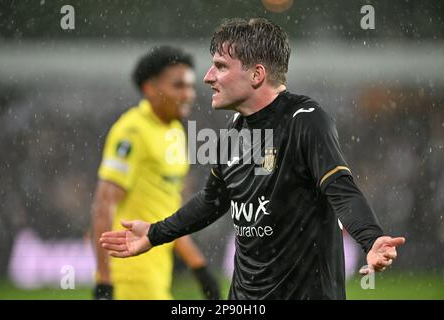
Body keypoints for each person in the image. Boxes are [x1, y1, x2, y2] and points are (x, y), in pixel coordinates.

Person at [99, 18, 406, 300]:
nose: (208, 77)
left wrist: (371, 238)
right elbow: (212, 201)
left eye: (220, 66)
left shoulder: (305, 120)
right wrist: (154, 233)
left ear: (257, 74)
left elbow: (340, 187)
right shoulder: (234, 130)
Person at [91, 46, 221, 300]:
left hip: (158, 275)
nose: (188, 94)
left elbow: (168, 212)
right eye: (178, 86)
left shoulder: (174, 131)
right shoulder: (132, 131)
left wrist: (199, 266)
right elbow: (103, 205)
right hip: (130, 277)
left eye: (190, 86)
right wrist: (105, 281)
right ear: (150, 88)